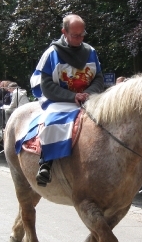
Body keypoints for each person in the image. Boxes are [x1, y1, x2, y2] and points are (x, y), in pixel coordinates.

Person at [29, 14, 104, 185]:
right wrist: (72, 96)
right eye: (75, 35)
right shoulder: (51, 54)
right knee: (54, 121)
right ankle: (46, 163)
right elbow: (46, 85)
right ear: (64, 32)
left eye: (82, 35)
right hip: (60, 100)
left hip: (88, 98)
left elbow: (98, 78)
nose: (80, 39)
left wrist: (88, 93)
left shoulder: (91, 52)